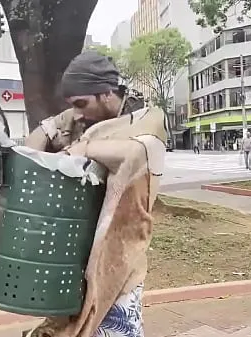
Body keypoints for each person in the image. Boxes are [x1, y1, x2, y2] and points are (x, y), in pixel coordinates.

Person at [23, 50, 160, 337]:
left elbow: (134, 154)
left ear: (106, 93)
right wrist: (51, 131)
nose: (76, 113)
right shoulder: (83, 118)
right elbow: (29, 152)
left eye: (82, 103)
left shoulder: (146, 120)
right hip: (77, 257)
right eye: (72, 106)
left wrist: (83, 148)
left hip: (120, 259)